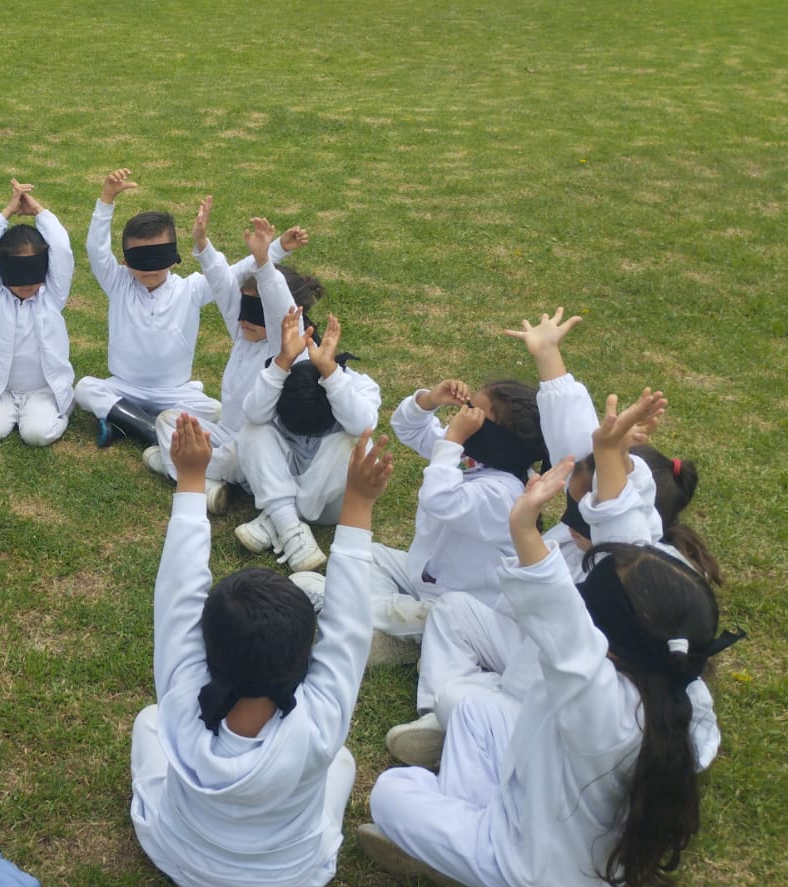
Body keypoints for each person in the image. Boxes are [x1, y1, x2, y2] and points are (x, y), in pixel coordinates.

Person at [360, 397, 743, 887]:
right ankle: (459, 832)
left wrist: (524, 525)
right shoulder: (668, 681)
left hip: (530, 868)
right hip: (538, 799)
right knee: (473, 713)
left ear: (608, 642)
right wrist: (609, 451)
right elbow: (632, 542)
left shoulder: (594, 696)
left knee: (393, 792)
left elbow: (555, 603)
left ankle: (458, 856)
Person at [129, 415, 388, 887]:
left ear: (206, 645)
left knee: (149, 720)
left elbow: (178, 591)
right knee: (341, 761)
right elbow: (350, 625)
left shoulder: (181, 697)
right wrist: (357, 502)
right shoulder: (320, 725)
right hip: (289, 881)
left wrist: (191, 478)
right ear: (305, 655)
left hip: (179, 856)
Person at [363, 373, 547, 666]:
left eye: (474, 414)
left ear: (494, 438)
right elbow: (407, 429)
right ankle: (410, 630)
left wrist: (453, 440)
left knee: (431, 611)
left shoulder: (505, 494)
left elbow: (439, 499)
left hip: (462, 601)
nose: (463, 417)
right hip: (425, 574)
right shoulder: (472, 456)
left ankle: (407, 626)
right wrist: (429, 401)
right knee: (367, 556)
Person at [138, 213, 289, 512]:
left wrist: (264, 261)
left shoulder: (281, 346)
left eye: (256, 313)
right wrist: (201, 242)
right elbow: (221, 284)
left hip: (255, 448)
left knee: (233, 455)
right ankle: (203, 479)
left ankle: (181, 469)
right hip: (225, 432)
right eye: (243, 310)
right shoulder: (244, 333)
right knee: (169, 421)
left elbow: (278, 303)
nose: (245, 319)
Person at [75, 168, 223, 447]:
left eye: (158, 256)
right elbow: (96, 251)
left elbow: (227, 277)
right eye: (140, 258)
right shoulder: (118, 282)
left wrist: (203, 241)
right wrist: (106, 200)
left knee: (213, 409)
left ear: (173, 255)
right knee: (85, 389)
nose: (150, 268)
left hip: (174, 392)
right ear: (126, 260)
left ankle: (122, 423)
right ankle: (152, 429)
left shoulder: (191, 289)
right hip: (124, 387)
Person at [231, 303, 381, 571]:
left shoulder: (358, 385)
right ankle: (289, 526)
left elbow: (362, 425)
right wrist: (282, 362)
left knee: (361, 443)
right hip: (283, 478)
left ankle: (278, 518)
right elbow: (253, 413)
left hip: (329, 504)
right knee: (253, 430)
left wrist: (331, 374)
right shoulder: (281, 376)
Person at [0, 178, 75, 446]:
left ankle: (59, 412)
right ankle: (6, 412)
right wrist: (6, 213)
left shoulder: (51, 296)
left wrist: (39, 212)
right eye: (18, 276)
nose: (26, 285)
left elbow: (62, 250)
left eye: (33, 276)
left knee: (36, 435)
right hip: (0, 388)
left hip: (43, 390)